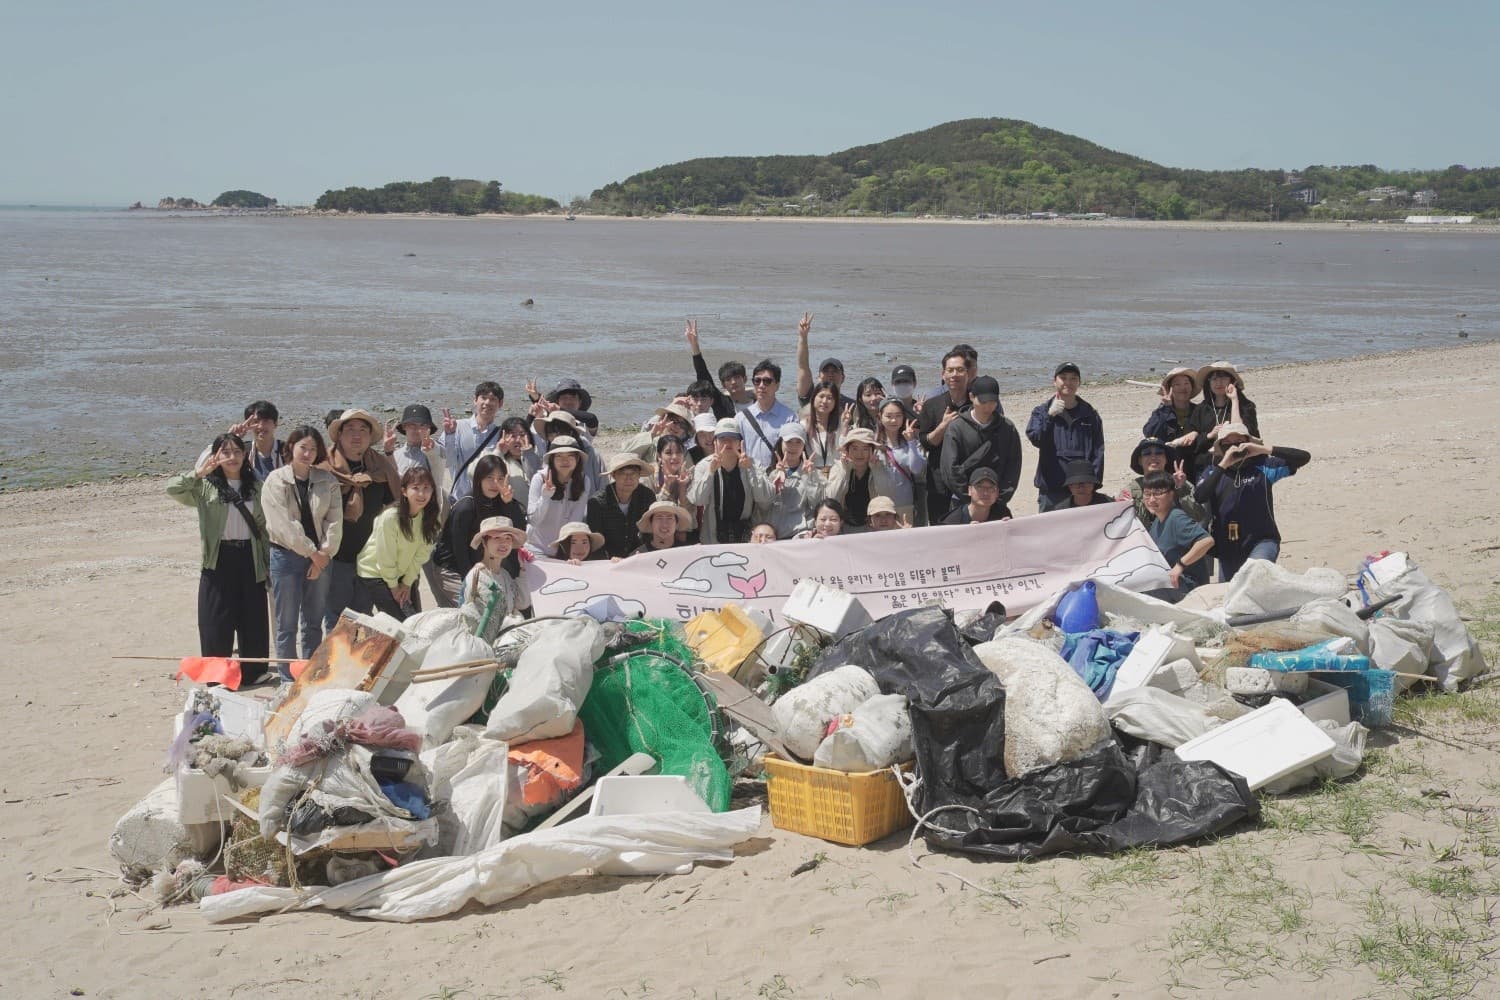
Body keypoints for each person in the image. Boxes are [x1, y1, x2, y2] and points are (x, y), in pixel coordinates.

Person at [166, 433, 271, 682]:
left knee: (252, 616)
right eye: (225, 452)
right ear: (216, 456)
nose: (232, 457)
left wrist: (268, 561)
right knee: (215, 617)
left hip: (250, 555)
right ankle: (216, 675)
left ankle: (253, 672)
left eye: (237, 451)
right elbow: (173, 488)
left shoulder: (256, 486)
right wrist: (199, 472)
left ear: (245, 455)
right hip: (219, 556)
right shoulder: (205, 487)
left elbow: (265, 526)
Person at [260, 425, 342, 666]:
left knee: (313, 620)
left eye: (313, 449)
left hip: (322, 556)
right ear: (291, 448)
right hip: (286, 557)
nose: (307, 454)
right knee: (286, 623)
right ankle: (287, 676)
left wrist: (324, 554)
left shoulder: (326, 480)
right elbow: (283, 524)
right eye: (302, 448)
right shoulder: (276, 480)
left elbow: (335, 520)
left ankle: (311, 671)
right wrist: (312, 553)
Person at [1193, 422, 1310, 581]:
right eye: (1228, 444)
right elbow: (1200, 495)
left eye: (1239, 442)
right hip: (1227, 545)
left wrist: (1264, 449)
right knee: (1231, 593)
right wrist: (1223, 465)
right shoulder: (1213, 472)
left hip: (1262, 540)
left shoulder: (1264, 467)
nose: (1234, 447)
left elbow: (1303, 458)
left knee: (1254, 577)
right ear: (1221, 447)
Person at [322, 408, 402, 631]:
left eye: (363, 430)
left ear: (370, 436)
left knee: (365, 618)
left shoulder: (380, 467)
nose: (356, 435)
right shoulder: (324, 468)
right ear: (339, 434)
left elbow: (395, 505)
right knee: (335, 618)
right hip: (335, 557)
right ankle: (334, 664)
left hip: (370, 557)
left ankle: (359, 664)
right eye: (350, 430)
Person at [435, 454, 526, 605]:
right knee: (476, 607)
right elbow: (460, 551)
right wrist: (472, 585)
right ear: (479, 479)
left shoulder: (501, 500)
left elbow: (520, 532)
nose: (495, 483)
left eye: (500, 478)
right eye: (489, 478)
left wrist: (509, 504)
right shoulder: (466, 507)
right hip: (452, 569)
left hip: (480, 565)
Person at [354, 467, 440, 620]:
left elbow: (421, 554)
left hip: (402, 573)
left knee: (414, 620)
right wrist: (394, 588)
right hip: (375, 572)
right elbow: (385, 557)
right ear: (404, 491)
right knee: (399, 622)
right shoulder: (390, 517)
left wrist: (407, 583)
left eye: (426, 488)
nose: (421, 494)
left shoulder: (431, 517)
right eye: (415, 488)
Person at [389, 403, 452, 606]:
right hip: (405, 527)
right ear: (404, 428)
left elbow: (438, 463)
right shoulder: (397, 456)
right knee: (408, 583)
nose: (417, 430)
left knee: (438, 579)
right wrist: (387, 452)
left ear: (429, 429)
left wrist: (430, 450)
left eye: (422, 425)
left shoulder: (436, 451)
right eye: (411, 425)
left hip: (431, 525)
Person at [939, 375, 1022, 519]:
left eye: (992, 402)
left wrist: (998, 497)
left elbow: (1013, 466)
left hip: (996, 500)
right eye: (983, 401)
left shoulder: (1007, 428)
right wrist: (971, 498)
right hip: (963, 502)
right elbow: (949, 469)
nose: (988, 406)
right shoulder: (957, 428)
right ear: (971, 397)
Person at [1026, 362, 1105, 512]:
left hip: (1081, 487)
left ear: (1079, 382)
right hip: (1052, 487)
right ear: (1054, 381)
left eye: (1073, 378)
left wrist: (1094, 484)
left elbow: (1098, 451)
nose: (1068, 382)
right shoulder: (1041, 411)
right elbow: (1035, 438)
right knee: (1049, 532)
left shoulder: (1090, 414)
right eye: (1063, 378)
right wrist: (1050, 416)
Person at [688, 418, 772, 544]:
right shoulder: (704, 466)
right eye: (722, 439)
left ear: (740, 443)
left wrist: (751, 470)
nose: (727, 443)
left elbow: (765, 498)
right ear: (715, 442)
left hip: (746, 535)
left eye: (732, 439)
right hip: (713, 537)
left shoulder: (753, 464)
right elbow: (698, 500)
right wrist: (710, 472)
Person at [917, 348, 973, 523]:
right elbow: (925, 442)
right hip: (938, 482)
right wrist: (943, 426)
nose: (954, 374)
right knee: (939, 530)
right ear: (943, 374)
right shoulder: (932, 405)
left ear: (968, 374)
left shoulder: (977, 405)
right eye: (950, 370)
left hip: (969, 481)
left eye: (959, 370)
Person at [1141, 471, 1214, 593]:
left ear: (1171, 494)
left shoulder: (1176, 518)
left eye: (1158, 493)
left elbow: (1207, 541)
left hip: (1190, 586)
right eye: (1147, 494)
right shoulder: (1156, 524)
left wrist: (1180, 566)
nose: (1152, 499)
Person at [463, 516, 532, 641]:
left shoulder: (504, 574)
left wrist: (523, 569)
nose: (503, 543)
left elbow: (522, 603)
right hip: (491, 642)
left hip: (512, 634)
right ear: (484, 542)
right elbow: (487, 621)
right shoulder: (478, 575)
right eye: (496, 538)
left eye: (507, 538)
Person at [1188, 362, 1260, 477]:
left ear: (1232, 381)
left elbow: (1249, 434)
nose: (1219, 382)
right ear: (1209, 383)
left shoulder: (1246, 407)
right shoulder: (1201, 409)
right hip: (1208, 465)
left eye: (1223, 377)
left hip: (1240, 462)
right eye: (1214, 379)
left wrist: (1235, 400)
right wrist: (1209, 435)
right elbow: (1193, 443)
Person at [1118, 437, 1207, 528]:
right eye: (1147, 453)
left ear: (1166, 459)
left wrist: (1181, 490)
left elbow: (1198, 517)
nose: (1153, 457)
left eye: (1159, 452)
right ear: (1140, 460)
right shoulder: (1132, 489)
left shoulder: (1181, 483)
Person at [757, 422, 826, 539]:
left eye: (798, 442)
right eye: (789, 442)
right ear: (781, 443)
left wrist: (809, 476)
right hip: (772, 536)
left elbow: (817, 505)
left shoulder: (814, 473)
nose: (793, 447)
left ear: (804, 445)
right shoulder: (766, 473)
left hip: (801, 535)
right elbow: (763, 505)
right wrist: (775, 476)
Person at [439, 381, 505, 501]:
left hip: (491, 500)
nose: (487, 403)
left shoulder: (502, 434)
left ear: (500, 403)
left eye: (493, 399)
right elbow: (448, 462)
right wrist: (449, 435)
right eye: (483, 398)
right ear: (475, 400)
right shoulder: (457, 427)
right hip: (461, 499)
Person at [525, 435, 591, 553]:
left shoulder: (584, 481)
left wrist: (567, 551)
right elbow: (533, 520)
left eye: (570, 456)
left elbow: (576, 519)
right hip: (536, 547)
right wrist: (545, 496)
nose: (565, 461)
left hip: (564, 548)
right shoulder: (539, 479)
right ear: (552, 459)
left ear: (577, 459)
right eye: (559, 456)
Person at [824, 427, 897, 528]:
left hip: (872, 526)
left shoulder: (880, 466)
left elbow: (887, 495)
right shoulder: (839, 467)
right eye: (854, 448)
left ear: (872, 450)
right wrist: (845, 471)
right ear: (847, 450)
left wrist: (876, 470)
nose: (859, 454)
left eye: (865, 449)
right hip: (844, 526)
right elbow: (832, 498)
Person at [588, 453, 658, 558]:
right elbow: (596, 540)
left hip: (639, 556)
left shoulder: (647, 496)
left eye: (633, 473)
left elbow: (650, 531)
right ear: (614, 475)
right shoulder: (597, 502)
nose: (628, 478)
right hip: (607, 560)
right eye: (623, 473)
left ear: (639, 475)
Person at [735, 360, 797, 470]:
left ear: (777, 386)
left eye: (767, 381)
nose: (761, 385)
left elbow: (795, 451)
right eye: (757, 381)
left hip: (778, 475)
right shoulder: (741, 418)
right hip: (750, 477)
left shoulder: (790, 418)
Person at [684, 319, 752, 419]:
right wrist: (694, 345)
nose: (733, 382)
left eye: (737, 377)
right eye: (728, 380)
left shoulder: (759, 402)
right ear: (723, 385)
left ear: (745, 379)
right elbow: (703, 375)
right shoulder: (722, 403)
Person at [874, 397, 926, 524]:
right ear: (880, 416)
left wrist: (911, 442)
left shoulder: (910, 442)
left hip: (905, 504)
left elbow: (916, 469)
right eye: (889, 416)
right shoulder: (873, 443)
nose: (893, 420)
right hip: (879, 507)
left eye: (898, 416)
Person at [794, 312, 855, 411]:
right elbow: (803, 366)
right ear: (818, 378)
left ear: (843, 378)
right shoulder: (810, 399)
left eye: (835, 371)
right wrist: (803, 337)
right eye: (826, 371)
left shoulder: (851, 406)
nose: (830, 375)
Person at [1142, 367, 1200, 449]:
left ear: (1192, 387)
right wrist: (1166, 408)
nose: (1183, 388)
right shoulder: (1161, 412)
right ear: (1169, 389)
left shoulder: (1200, 411)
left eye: (1186, 383)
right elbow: (1150, 435)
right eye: (1177, 384)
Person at [801, 380, 843, 470]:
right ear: (813, 398)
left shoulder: (841, 425)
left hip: (836, 475)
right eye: (821, 396)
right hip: (812, 473)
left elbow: (844, 451)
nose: (824, 401)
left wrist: (846, 427)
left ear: (835, 403)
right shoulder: (803, 426)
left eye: (830, 398)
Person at [942, 467, 1007, 525]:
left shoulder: (1002, 514)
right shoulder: (952, 521)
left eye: (991, 488)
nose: (985, 493)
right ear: (969, 490)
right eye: (979, 488)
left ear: (997, 493)